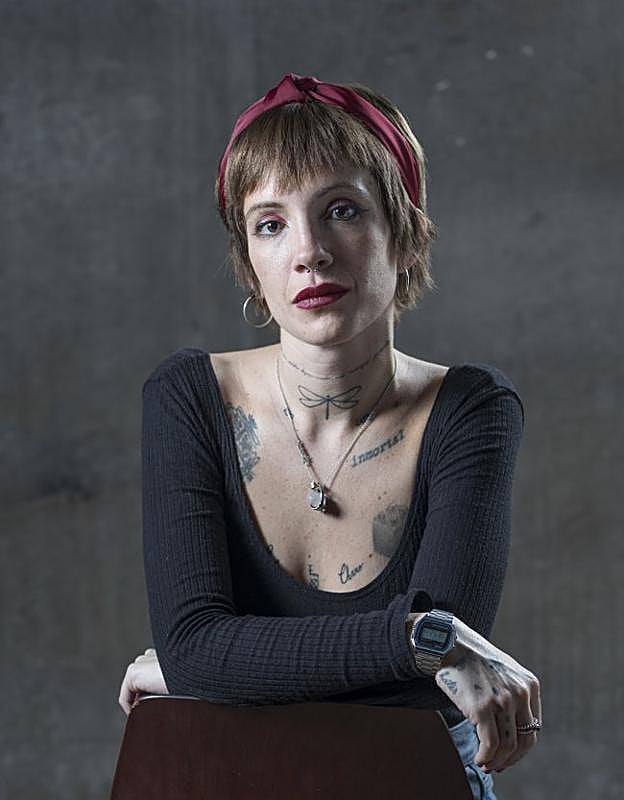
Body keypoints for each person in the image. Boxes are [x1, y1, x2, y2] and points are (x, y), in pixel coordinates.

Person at [118, 72, 541, 799]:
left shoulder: (470, 410)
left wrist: (217, 670)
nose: (309, 251)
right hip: (225, 781)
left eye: (341, 210)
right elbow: (196, 647)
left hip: (411, 781)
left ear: (404, 234)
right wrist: (418, 637)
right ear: (250, 263)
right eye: (270, 224)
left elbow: (429, 694)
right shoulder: (188, 398)